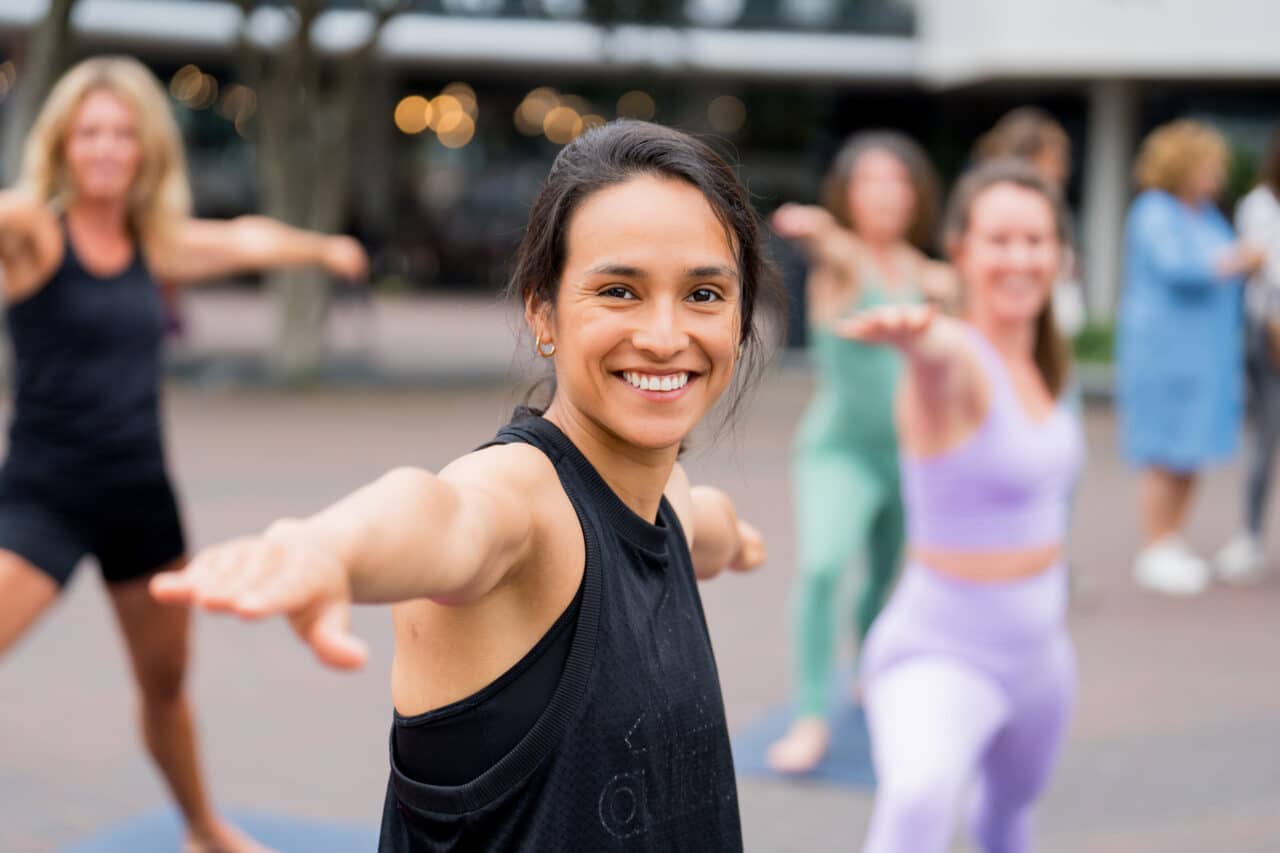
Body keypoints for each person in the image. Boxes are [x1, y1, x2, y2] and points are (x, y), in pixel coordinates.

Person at [151, 120, 777, 852]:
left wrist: (733, 537)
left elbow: (697, 520)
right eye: (619, 290)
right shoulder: (525, 502)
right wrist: (327, 545)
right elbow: (446, 515)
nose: (667, 334)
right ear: (541, 311)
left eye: (703, 293)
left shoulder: (669, 500)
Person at [0, 55, 367, 852]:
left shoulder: (153, 244)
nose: (104, 147)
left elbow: (245, 239)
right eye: (89, 132)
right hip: (43, 498)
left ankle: (202, 827)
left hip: (140, 498)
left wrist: (325, 250)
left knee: (165, 688)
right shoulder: (33, 232)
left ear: (144, 151)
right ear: (62, 143)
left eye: (122, 133)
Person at [844, 161, 1082, 853]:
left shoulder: (1040, 361)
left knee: (1008, 817)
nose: (1019, 257)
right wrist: (921, 340)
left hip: (1042, 655)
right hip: (942, 654)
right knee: (919, 803)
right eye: (999, 239)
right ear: (962, 250)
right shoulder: (958, 364)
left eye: (1035, 240)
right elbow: (944, 358)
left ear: (1059, 254)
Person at [765, 131, 955, 774]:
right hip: (838, 450)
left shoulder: (922, 271)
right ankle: (811, 716)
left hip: (905, 455)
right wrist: (812, 224)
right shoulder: (844, 261)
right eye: (869, 180)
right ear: (847, 193)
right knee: (822, 568)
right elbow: (827, 239)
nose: (885, 192)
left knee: (882, 582)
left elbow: (963, 288)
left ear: (915, 193)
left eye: (897, 179)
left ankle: (870, 672)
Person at [1116, 119, 1264, 595]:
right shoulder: (1154, 210)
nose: (1216, 175)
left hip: (1207, 355)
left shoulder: (1206, 214)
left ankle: (1173, 539)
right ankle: (1155, 544)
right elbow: (1183, 267)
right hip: (1165, 352)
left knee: (1191, 449)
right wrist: (1241, 259)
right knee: (1163, 449)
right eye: (1208, 165)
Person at [1216, 126, 1280, 582]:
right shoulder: (1259, 205)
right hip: (1270, 331)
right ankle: (1251, 535)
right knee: (1268, 434)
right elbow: (1262, 269)